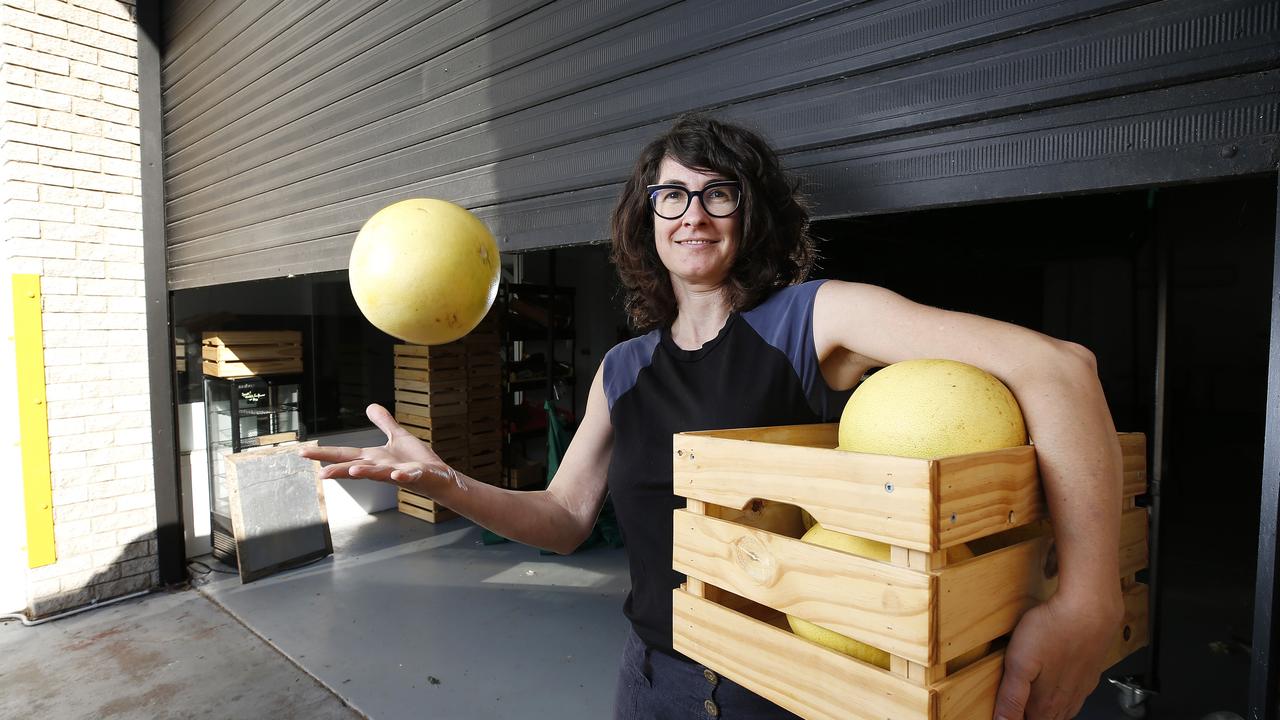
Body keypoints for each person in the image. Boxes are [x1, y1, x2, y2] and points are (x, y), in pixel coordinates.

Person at [302, 114, 1124, 720]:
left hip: (793, 688)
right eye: (671, 195)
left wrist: (1089, 602)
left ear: (750, 212)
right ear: (646, 218)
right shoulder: (623, 370)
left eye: (716, 192)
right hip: (651, 680)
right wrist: (443, 481)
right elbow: (563, 518)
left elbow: (1058, 369)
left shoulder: (816, 320)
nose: (692, 212)